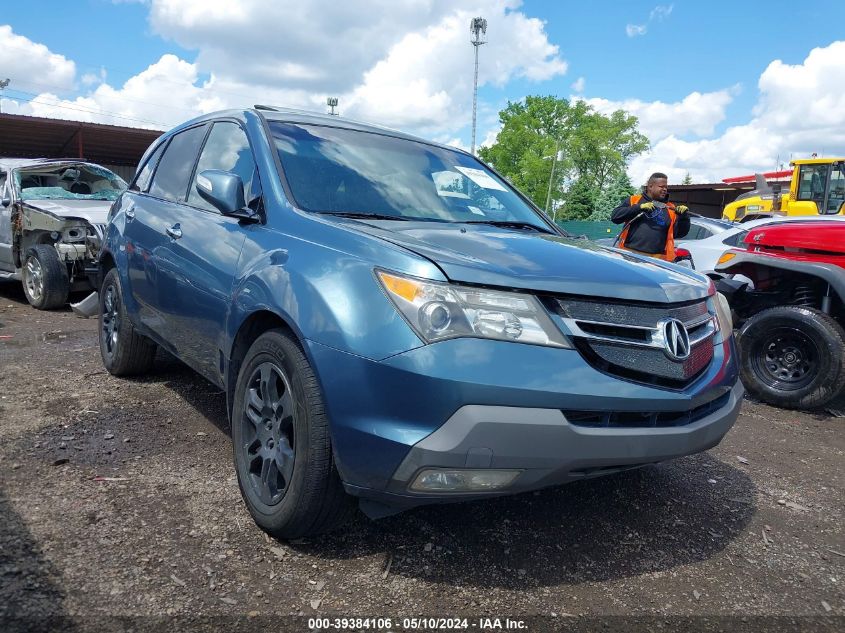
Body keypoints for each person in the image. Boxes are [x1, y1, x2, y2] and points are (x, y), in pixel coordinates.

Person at [611, 172, 690, 260]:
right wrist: (639, 207)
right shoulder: (634, 200)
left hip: (657, 260)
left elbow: (679, 234)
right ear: (650, 187)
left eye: (666, 187)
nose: (665, 189)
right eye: (661, 186)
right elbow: (615, 217)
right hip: (629, 255)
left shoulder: (670, 208)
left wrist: (684, 217)